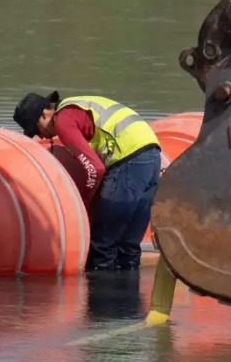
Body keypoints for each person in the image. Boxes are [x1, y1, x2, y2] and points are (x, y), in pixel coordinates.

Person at [13, 90, 161, 271]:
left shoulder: (63, 120)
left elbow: (94, 169)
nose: (42, 137)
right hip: (152, 156)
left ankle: (102, 296)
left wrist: (80, 205)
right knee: (128, 246)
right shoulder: (78, 105)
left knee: (102, 245)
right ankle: (129, 297)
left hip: (127, 160)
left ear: (44, 114)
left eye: (36, 129)